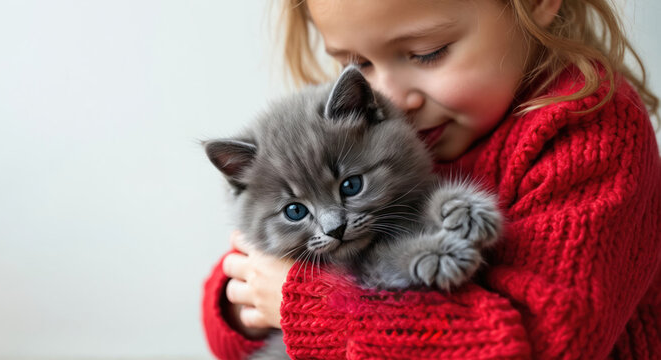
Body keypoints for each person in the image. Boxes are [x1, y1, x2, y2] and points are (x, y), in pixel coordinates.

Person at [201, 0, 661, 359]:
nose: (392, 95)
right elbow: (237, 296)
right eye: (359, 64)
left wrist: (306, 305)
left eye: (426, 53)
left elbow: (550, 345)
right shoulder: (368, 133)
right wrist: (244, 306)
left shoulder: (589, 131)